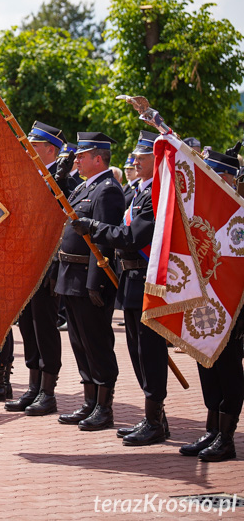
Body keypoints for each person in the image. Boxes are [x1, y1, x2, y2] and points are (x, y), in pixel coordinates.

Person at [73, 130, 170, 445]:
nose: (134, 162)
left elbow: (132, 237)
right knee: (137, 353)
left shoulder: (156, 194)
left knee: (150, 354)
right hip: (130, 281)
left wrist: (95, 228)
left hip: (147, 280)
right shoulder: (137, 192)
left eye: (141, 158)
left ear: (155, 162)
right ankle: (155, 419)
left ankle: (155, 421)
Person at [1, 122, 76, 414]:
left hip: (48, 263)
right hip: (26, 261)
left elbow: (63, 221)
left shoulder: (64, 179)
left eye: (34, 145)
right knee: (27, 325)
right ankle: (32, 386)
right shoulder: (32, 176)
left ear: (50, 149)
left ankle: (48, 390)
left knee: (44, 326)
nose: (28, 150)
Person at [56, 132, 125, 432]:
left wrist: (95, 283)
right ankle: (89, 402)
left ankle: (104, 407)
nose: (77, 160)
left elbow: (105, 240)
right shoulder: (85, 187)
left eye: (82, 156)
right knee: (79, 343)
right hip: (70, 276)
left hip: (88, 278)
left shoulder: (108, 190)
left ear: (98, 158)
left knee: (96, 343)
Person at [179, 148, 243, 462]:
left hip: (234, 308)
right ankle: (212, 429)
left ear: (228, 177)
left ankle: (226, 438)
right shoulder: (203, 211)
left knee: (228, 368)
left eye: (212, 174)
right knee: (207, 363)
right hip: (205, 304)